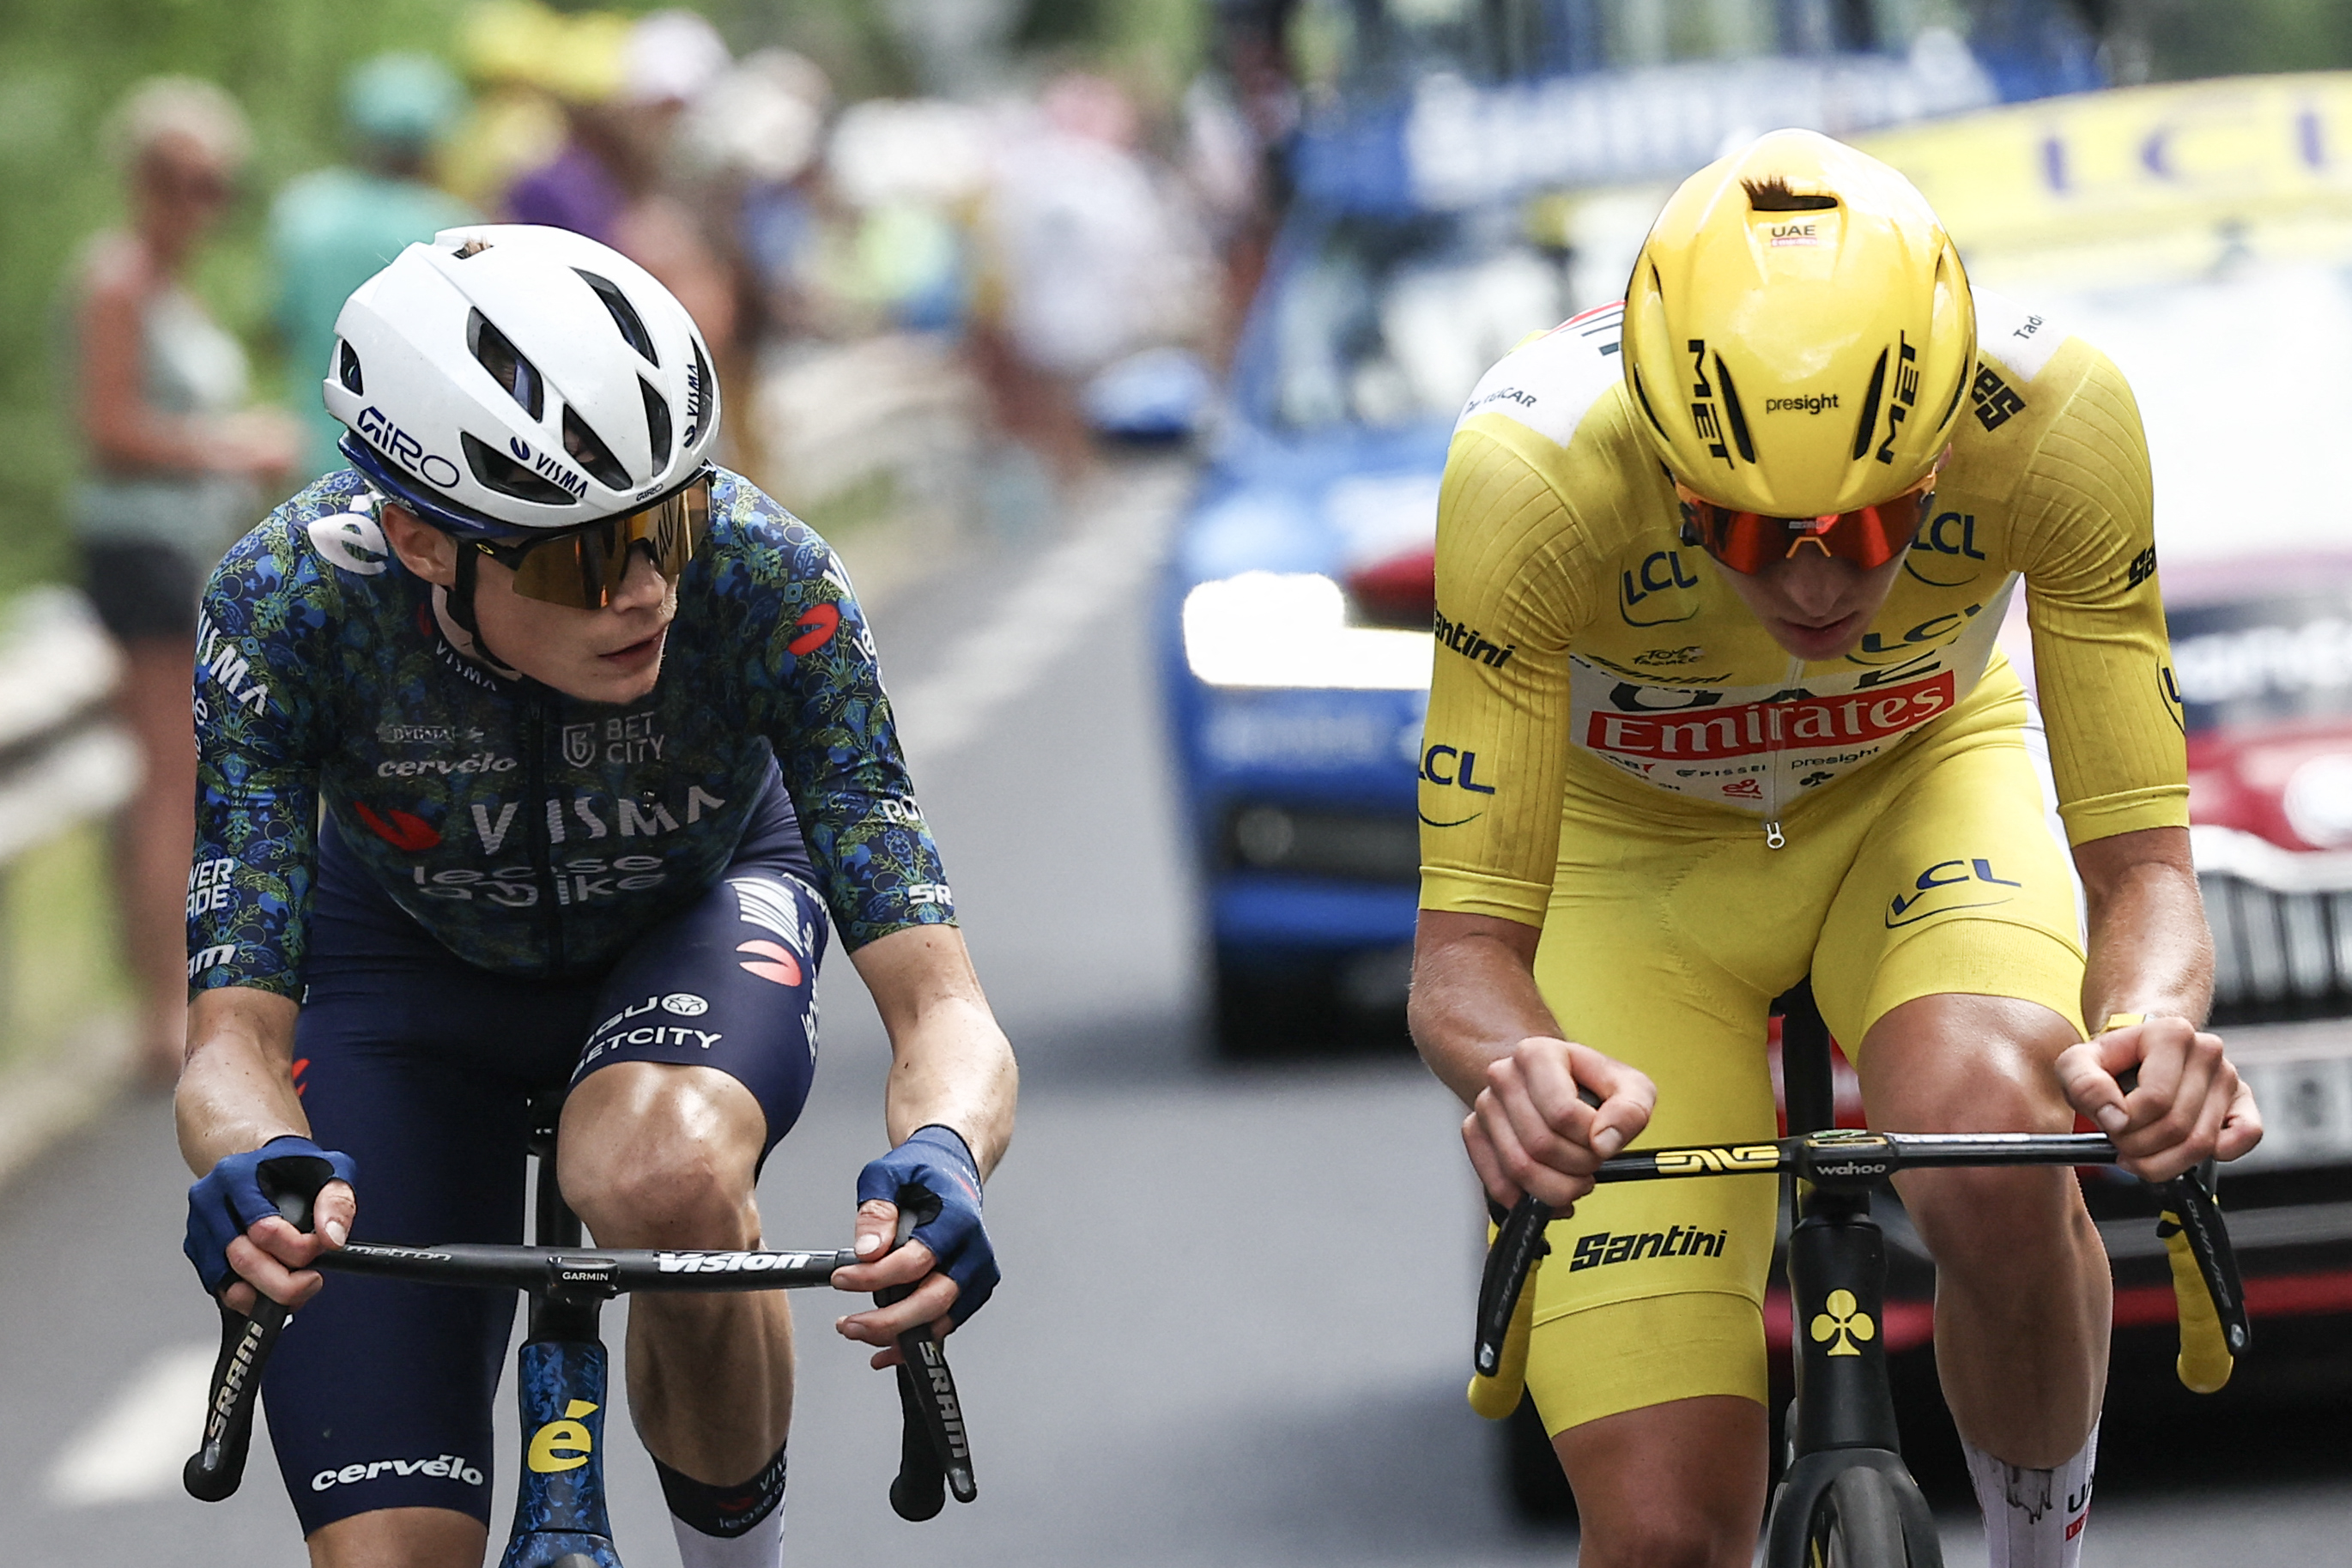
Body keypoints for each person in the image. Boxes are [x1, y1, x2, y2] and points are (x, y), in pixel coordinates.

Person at [1410, 130, 2260, 1568]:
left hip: (1917, 791)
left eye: (1871, 524)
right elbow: (1463, 964)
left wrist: (2156, 1027)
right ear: (1668, 469)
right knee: (1665, 1529)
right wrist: (1520, 1069)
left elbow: (2146, 878)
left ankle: (2035, 1549)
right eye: (1743, 534)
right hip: (1635, 864)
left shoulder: (2057, 417)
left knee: (1995, 1130)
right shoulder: (1530, 472)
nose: (1813, 577)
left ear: (1944, 442)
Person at [174, 224, 1016, 1568]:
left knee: (661, 1169)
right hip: (402, 963)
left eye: (666, 523)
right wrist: (244, 1160)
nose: (647, 590)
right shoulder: (290, 604)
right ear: (420, 538)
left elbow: (942, 1002)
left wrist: (946, 1155)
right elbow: (231, 1041)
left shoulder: (766, 579)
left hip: (695, 912)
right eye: (580, 557)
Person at [68, 76, 300, 1088]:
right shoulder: (116, 281)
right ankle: (164, 1007)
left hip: (184, 546)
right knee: (174, 781)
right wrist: (227, 446)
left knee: (192, 774)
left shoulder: (174, 286)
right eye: (179, 180)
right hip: (139, 548)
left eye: (215, 184)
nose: (196, 202)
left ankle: (185, 992)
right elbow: (108, 429)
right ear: (142, 179)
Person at [270, 53, 477, 481]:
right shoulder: (449, 226)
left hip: (315, 446)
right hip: (411, 459)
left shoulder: (305, 211)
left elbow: (279, 328)